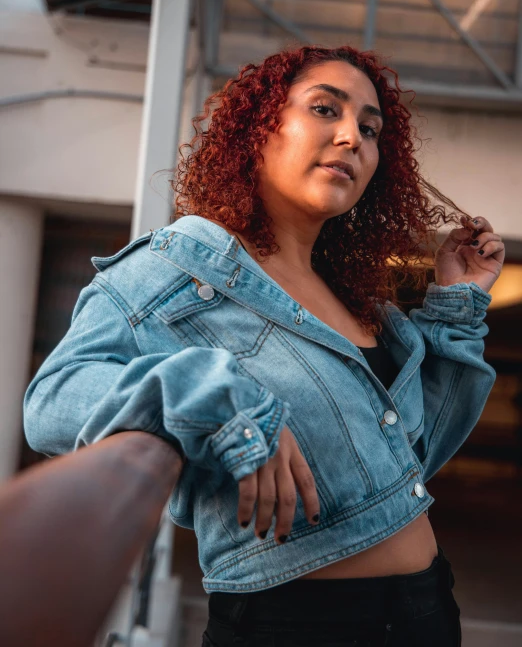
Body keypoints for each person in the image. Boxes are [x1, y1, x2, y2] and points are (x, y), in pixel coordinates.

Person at [24, 45, 505, 646]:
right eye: (326, 109)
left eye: (370, 128)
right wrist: (223, 400)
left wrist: (458, 303)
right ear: (258, 128)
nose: (352, 137)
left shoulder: (359, 303)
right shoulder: (176, 268)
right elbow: (52, 401)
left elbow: (417, 455)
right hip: (296, 624)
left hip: (428, 608)